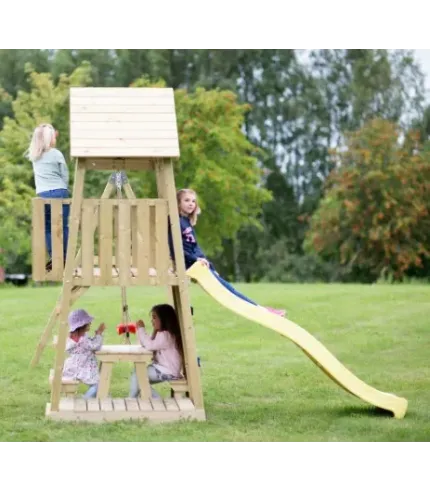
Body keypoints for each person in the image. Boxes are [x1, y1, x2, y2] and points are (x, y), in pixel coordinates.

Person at [168, 188, 286, 317]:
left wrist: (210, 266)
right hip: (190, 266)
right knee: (228, 290)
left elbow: (196, 248)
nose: (191, 203)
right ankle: (262, 310)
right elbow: (177, 249)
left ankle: (261, 309)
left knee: (229, 289)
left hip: (198, 266)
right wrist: (195, 260)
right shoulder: (175, 222)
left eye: (193, 201)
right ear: (178, 203)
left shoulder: (187, 223)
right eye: (186, 200)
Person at [27, 123, 70, 271]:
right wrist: (64, 186)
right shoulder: (56, 153)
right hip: (59, 191)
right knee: (62, 226)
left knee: (47, 227)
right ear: (49, 139)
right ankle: (64, 257)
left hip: (43, 194)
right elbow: (64, 174)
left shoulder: (34, 156)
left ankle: (54, 257)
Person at [129, 304, 183, 399]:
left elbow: (149, 345)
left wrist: (141, 329)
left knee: (139, 375)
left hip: (167, 371)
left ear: (164, 319)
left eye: (154, 318)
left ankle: (153, 401)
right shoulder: (164, 334)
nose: (152, 321)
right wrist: (149, 330)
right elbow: (146, 344)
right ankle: (134, 399)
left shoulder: (166, 335)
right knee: (139, 376)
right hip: (164, 369)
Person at [62, 309, 105, 399]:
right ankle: (85, 399)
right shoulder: (83, 340)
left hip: (73, 366)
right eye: (88, 323)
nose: (90, 324)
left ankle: (92, 399)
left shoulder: (74, 337)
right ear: (82, 326)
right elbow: (95, 346)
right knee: (98, 386)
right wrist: (99, 334)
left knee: (95, 384)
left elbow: (89, 345)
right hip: (83, 367)